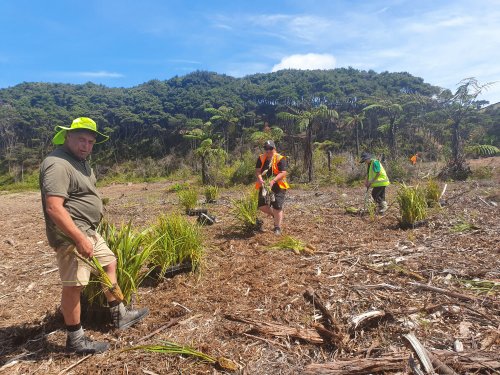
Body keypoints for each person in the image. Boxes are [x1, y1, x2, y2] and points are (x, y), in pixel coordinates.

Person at [39, 117, 149, 355]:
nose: (86, 145)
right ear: (67, 137)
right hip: (72, 235)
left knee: (109, 262)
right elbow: (54, 207)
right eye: (81, 139)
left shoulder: (82, 163)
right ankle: (75, 339)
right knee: (74, 286)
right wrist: (78, 239)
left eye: (90, 141)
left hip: (88, 231)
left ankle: (120, 314)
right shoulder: (57, 163)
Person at [255, 140, 290, 235]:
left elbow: (283, 173)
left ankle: (277, 227)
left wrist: (273, 180)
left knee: (277, 206)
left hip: (278, 185)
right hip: (265, 185)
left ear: (274, 148)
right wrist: (260, 179)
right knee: (262, 206)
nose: (268, 150)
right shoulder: (261, 158)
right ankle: (275, 215)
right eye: (266, 148)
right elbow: (258, 171)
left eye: (270, 148)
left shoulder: (280, 158)